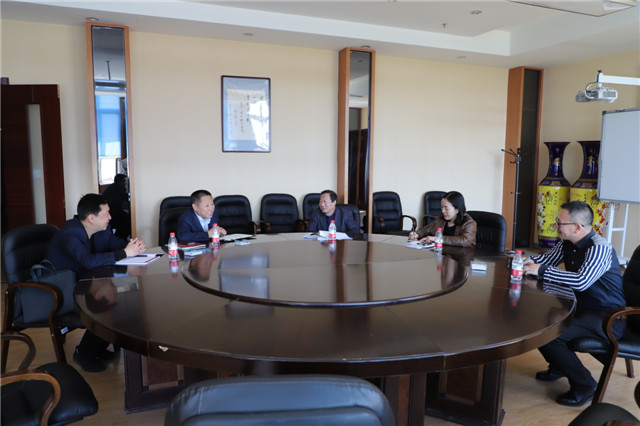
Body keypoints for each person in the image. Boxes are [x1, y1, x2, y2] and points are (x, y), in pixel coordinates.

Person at [523, 200, 626, 407]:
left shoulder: (599, 248)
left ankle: (585, 385)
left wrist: (542, 271)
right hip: (582, 307)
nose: (555, 225)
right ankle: (558, 366)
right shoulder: (567, 242)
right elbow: (547, 260)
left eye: (560, 222)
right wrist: (526, 261)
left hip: (608, 316)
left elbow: (581, 281)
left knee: (551, 334)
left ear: (577, 227)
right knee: (538, 321)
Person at [46, 193, 146, 372]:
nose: (110, 217)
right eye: (106, 213)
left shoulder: (103, 230)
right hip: (61, 291)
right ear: (91, 218)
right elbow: (88, 261)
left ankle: (94, 349)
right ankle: (84, 353)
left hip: (86, 283)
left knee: (122, 300)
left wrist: (134, 247)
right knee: (109, 307)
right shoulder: (70, 233)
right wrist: (125, 253)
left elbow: (118, 245)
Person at [408, 191, 476, 247]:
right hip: (441, 254)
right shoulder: (442, 220)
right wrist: (416, 234)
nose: (443, 211)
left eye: (446, 208)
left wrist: (437, 239)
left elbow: (466, 241)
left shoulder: (469, 223)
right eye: (442, 207)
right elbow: (426, 229)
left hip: (460, 257)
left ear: (457, 210)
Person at [101, 173, 131, 239]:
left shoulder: (110, 187)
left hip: (108, 212)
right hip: (114, 213)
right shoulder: (120, 188)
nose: (125, 183)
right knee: (129, 220)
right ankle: (120, 238)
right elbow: (124, 200)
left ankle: (118, 236)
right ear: (119, 181)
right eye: (124, 181)